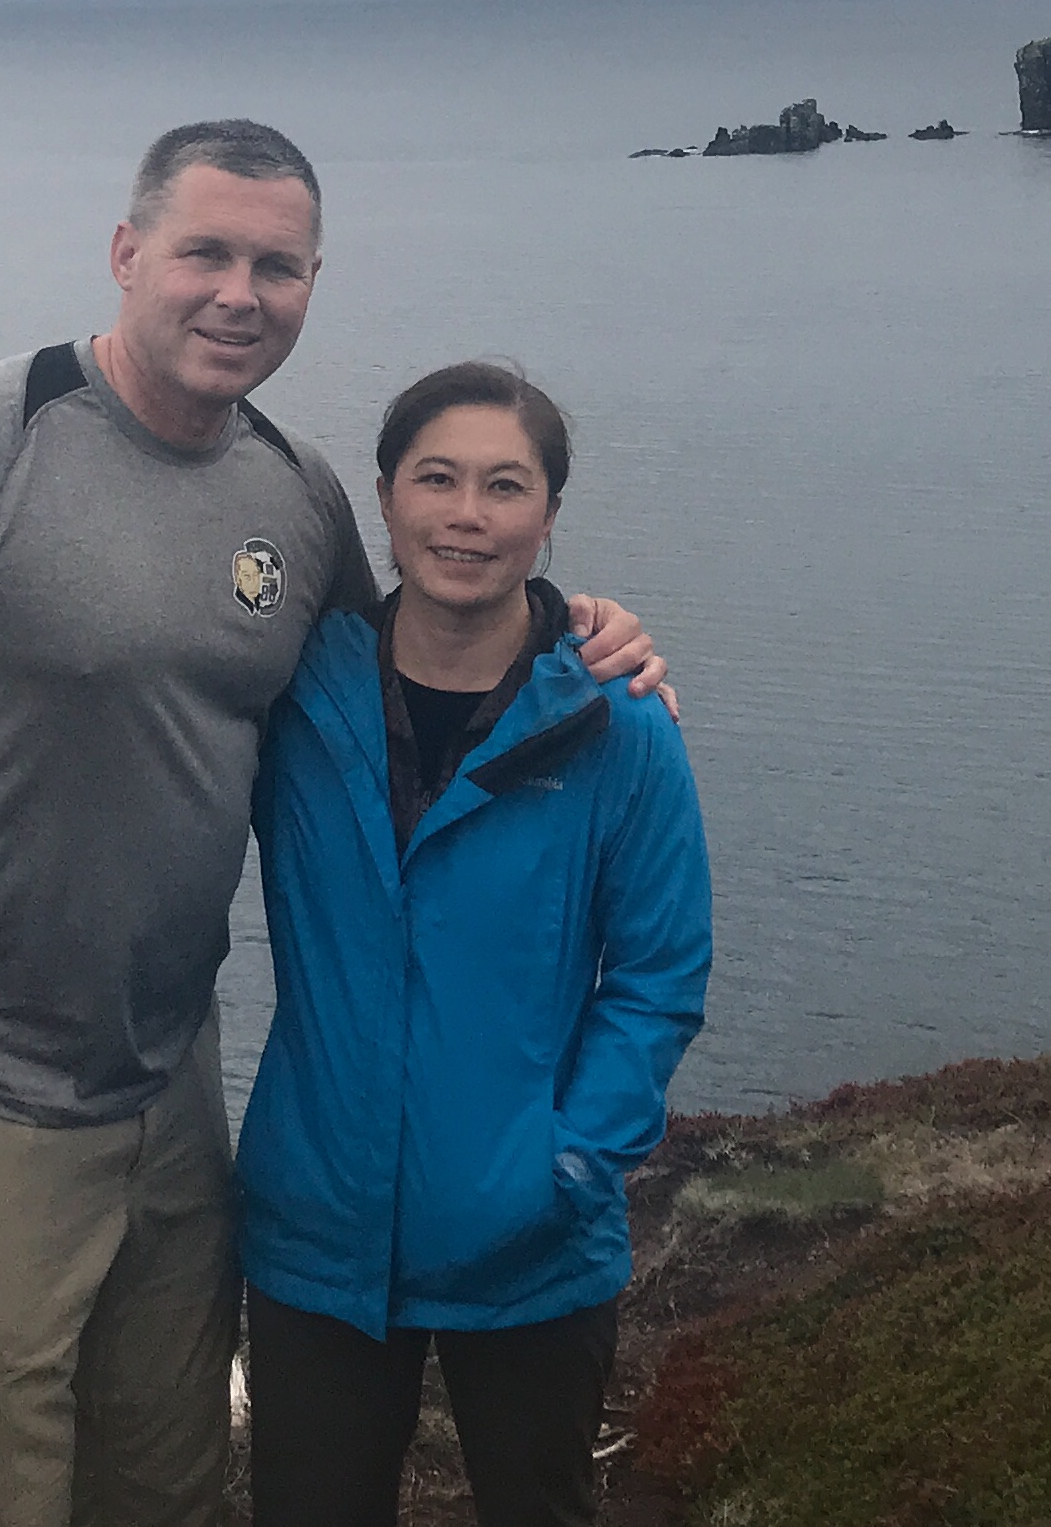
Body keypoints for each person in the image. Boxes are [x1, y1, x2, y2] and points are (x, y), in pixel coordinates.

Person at [0, 124, 667, 1527]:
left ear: (312, 284)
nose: (237, 293)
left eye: (276, 265)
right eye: (204, 252)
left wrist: (578, 629)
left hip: (167, 1099)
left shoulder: (293, 495)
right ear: (127, 252)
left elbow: (412, 664)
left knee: (163, 1489)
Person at [234, 362, 712, 1527]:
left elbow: (656, 973)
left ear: (548, 516)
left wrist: (572, 1161)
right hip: (317, 1227)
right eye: (435, 479)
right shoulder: (293, 694)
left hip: (531, 1239)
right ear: (384, 498)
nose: (466, 515)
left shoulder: (614, 723)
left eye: (505, 486)